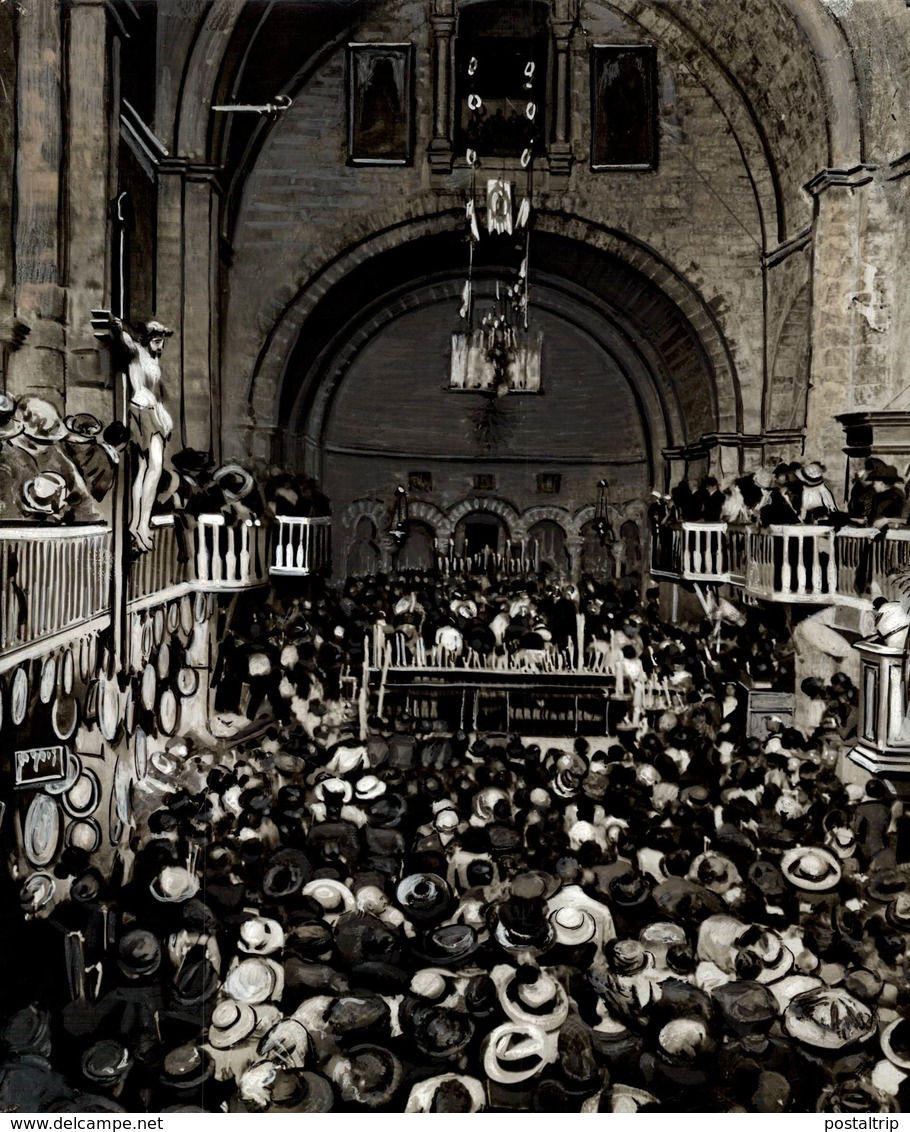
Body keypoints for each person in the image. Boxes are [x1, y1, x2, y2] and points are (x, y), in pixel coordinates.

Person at [109, 316, 174, 553]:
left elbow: (157, 392)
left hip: (151, 411)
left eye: (162, 342)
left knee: (147, 470)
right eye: (157, 341)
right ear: (147, 339)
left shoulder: (153, 359)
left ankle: (139, 524)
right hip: (142, 410)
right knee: (152, 467)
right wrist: (118, 328)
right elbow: (124, 341)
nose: (160, 346)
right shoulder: (136, 350)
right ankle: (140, 524)